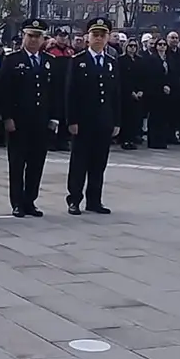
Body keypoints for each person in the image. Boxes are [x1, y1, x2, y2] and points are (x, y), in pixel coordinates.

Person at [0, 17, 58, 217]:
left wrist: (55, 117)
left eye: (38, 36)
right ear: (24, 36)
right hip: (19, 122)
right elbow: (4, 92)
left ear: (43, 39)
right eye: (30, 36)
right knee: (17, 164)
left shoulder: (49, 62)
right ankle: (17, 202)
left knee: (36, 164)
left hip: (41, 122)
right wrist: (7, 117)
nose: (33, 40)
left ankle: (30, 201)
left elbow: (54, 94)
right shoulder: (12, 61)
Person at [64, 17, 121, 215]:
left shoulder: (112, 63)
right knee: (79, 162)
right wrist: (71, 120)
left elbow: (116, 95)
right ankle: (74, 199)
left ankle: (94, 200)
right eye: (95, 35)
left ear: (107, 38)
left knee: (99, 162)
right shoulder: (78, 61)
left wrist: (116, 121)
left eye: (102, 35)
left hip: (104, 121)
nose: (98, 38)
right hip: (83, 121)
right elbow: (70, 93)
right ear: (88, 37)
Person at [145, 37, 178, 149]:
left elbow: (173, 75)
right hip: (155, 92)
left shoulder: (170, 59)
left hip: (167, 93)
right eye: (160, 44)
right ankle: (153, 141)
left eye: (164, 44)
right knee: (155, 117)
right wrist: (161, 86)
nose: (162, 46)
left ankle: (162, 140)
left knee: (164, 117)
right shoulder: (152, 59)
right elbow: (151, 76)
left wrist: (169, 85)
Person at [117, 39, 145, 150]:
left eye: (134, 46)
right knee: (126, 117)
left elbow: (143, 77)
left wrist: (141, 90)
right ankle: (125, 139)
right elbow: (121, 78)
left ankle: (133, 138)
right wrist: (130, 91)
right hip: (126, 93)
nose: (132, 48)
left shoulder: (140, 60)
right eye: (130, 46)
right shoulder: (121, 60)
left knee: (136, 117)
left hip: (138, 92)